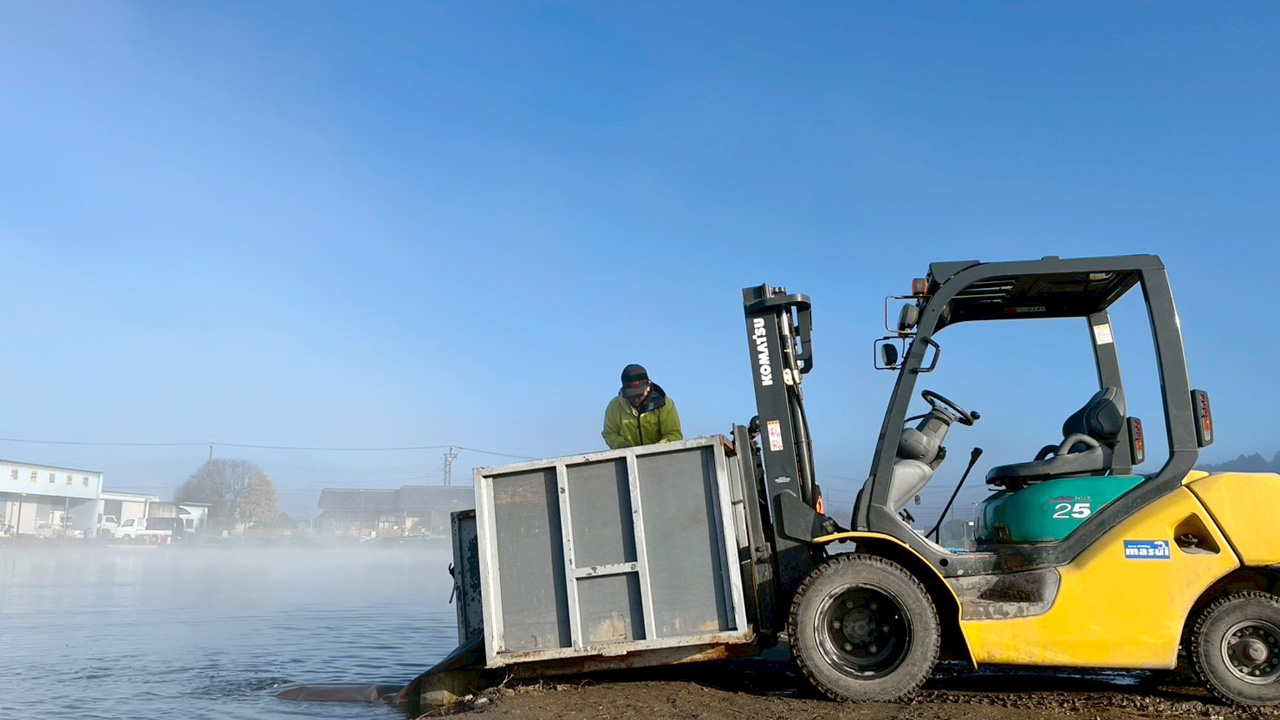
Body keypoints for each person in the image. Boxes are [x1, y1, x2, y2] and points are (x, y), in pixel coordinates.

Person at [602, 364, 683, 449]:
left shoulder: (665, 404)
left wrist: (654, 450)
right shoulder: (614, 406)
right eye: (631, 396)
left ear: (648, 385)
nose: (636, 399)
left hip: (661, 456)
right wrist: (621, 444)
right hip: (627, 456)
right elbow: (609, 433)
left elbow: (673, 435)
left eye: (639, 395)